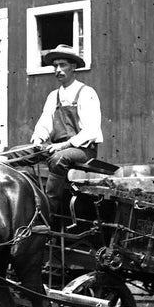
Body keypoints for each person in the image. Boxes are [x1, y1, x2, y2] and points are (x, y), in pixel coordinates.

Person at [30, 44, 103, 219]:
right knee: (16, 154)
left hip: (83, 150)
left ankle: (49, 210)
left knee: (59, 158)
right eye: (55, 66)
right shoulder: (53, 96)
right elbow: (44, 124)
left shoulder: (86, 93)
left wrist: (63, 145)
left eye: (62, 65)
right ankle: (25, 201)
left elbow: (91, 131)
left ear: (73, 67)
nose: (58, 70)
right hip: (56, 147)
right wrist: (38, 140)